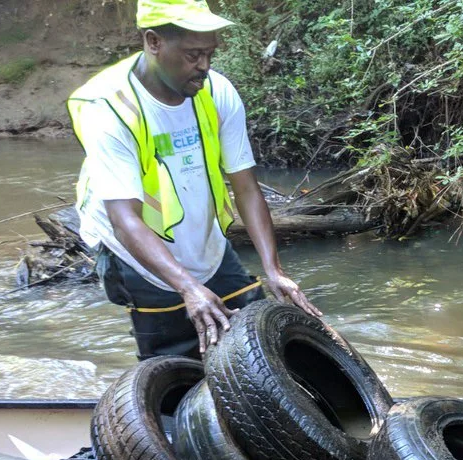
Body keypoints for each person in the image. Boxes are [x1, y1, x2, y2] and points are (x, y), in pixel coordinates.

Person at [67, 0, 322, 360]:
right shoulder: (108, 110)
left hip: (206, 245)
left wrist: (274, 269)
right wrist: (188, 287)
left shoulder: (216, 92)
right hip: (135, 254)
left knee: (259, 343)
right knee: (175, 363)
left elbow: (246, 187)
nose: (204, 66)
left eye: (209, 53)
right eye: (192, 55)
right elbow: (124, 220)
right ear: (153, 42)